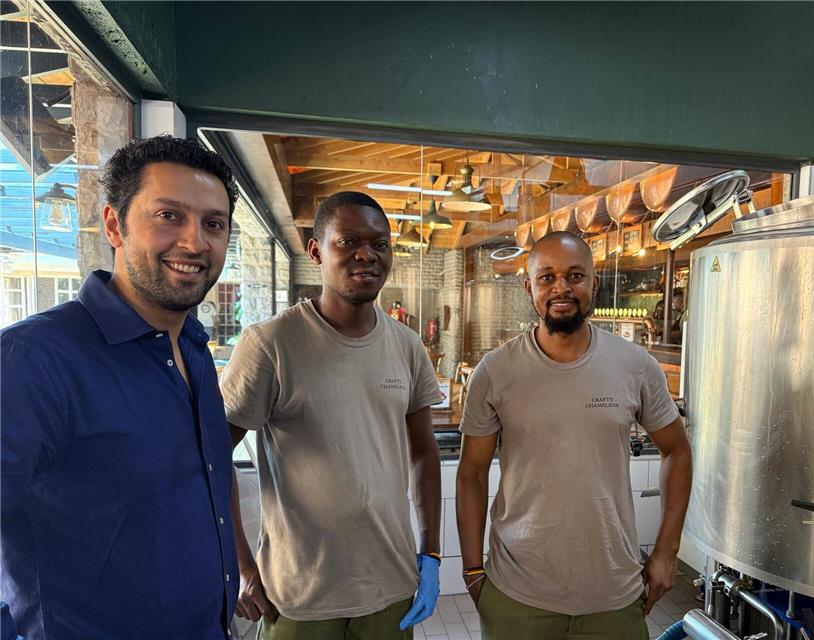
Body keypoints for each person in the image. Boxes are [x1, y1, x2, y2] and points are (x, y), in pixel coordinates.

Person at [0, 135, 240, 638]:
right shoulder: (35, 359)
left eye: (213, 224)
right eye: (169, 216)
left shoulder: (194, 349)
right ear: (114, 225)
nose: (195, 242)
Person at [220, 191, 443, 640]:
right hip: (299, 596)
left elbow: (423, 451)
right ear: (316, 250)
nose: (367, 254)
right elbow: (210, 458)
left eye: (379, 244)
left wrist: (432, 553)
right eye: (348, 242)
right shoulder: (270, 344)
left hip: (390, 587)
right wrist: (239, 563)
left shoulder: (406, 346)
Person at [456, 231, 693, 640]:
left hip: (614, 595)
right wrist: (473, 570)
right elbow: (471, 475)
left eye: (575, 275)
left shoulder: (635, 365)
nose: (561, 287)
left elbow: (677, 451)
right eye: (546, 277)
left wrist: (666, 553)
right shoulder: (495, 371)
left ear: (594, 283)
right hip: (517, 596)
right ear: (528, 287)